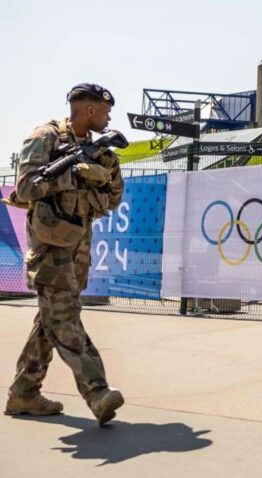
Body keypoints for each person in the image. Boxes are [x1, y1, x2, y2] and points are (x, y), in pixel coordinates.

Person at [4, 83, 125, 425]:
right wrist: (70, 174)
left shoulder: (102, 150)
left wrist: (101, 175)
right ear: (89, 110)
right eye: (105, 110)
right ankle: (97, 391)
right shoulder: (44, 138)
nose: (109, 116)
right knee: (65, 316)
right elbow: (25, 187)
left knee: (51, 320)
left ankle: (24, 393)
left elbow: (114, 198)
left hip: (79, 247)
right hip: (50, 245)